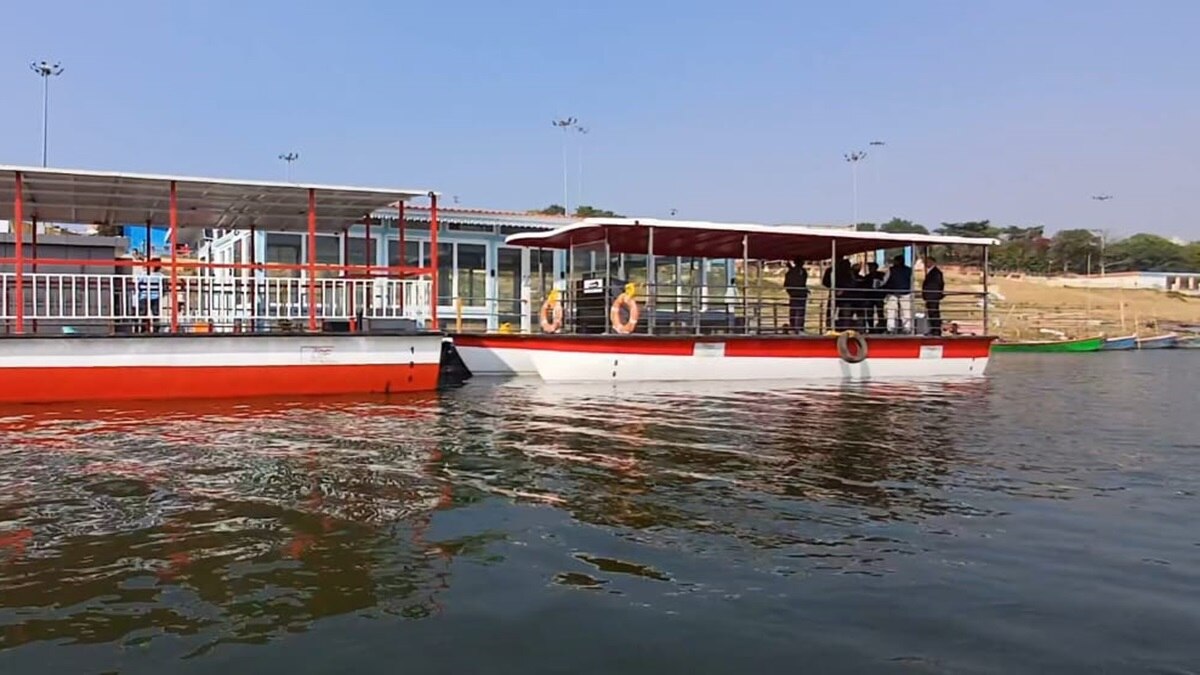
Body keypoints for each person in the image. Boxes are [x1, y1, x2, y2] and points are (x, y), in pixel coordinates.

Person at [880, 254, 913, 333]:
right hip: (905, 292)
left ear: (896, 261)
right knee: (906, 311)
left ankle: (890, 328)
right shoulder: (909, 270)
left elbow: (885, 280)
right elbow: (912, 281)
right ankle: (907, 328)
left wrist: (880, 286)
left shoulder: (891, 270)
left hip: (893, 292)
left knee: (891, 310)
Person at [783, 258, 809, 333]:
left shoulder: (791, 272)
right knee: (799, 311)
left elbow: (787, 284)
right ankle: (798, 328)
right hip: (800, 294)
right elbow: (801, 281)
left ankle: (794, 326)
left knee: (794, 311)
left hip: (794, 294)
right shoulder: (802, 271)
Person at [922, 255, 945, 336]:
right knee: (931, 313)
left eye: (927, 262)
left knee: (934, 313)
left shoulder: (936, 272)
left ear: (932, 262)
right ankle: (933, 329)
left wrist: (938, 294)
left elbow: (940, 284)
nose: (925, 263)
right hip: (930, 296)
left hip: (933, 296)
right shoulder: (931, 272)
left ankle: (936, 330)